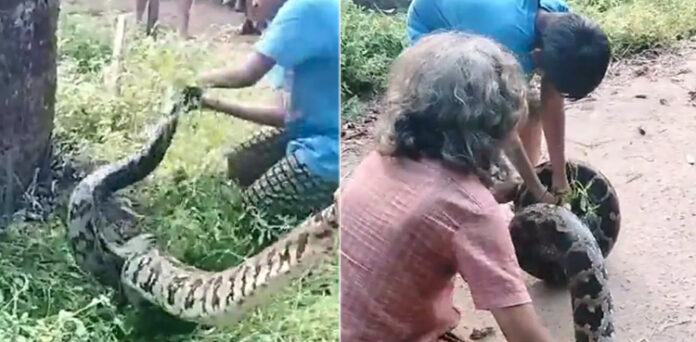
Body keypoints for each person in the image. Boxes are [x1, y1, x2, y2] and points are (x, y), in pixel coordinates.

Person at [340, 32, 557, 342]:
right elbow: (526, 337)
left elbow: (433, 211)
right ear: (497, 119)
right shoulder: (470, 208)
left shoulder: (382, 157)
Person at [406, 0, 611, 205]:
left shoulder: (566, 26)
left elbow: (550, 101)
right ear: (537, 55)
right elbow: (503, 127)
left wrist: (560, 176)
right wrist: (537, 191)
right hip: (433, 30)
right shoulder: (506, 41)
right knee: (474, 127)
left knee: (529, 110)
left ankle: (522, 182)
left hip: (476, 19)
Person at [195, 0, 339, 218]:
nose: (243, 7)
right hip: (311, 129)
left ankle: (320, 216)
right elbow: (283, 115)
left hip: (329, 151)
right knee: (239, 165)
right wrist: (211, 104)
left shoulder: (303, 9)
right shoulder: (292, 22)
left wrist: (190, 81)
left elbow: (246, 74)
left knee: (252, 212)